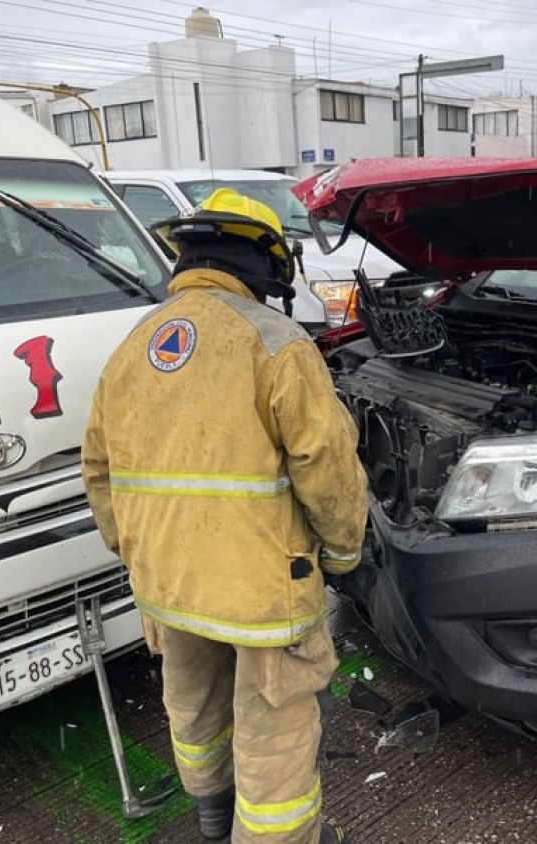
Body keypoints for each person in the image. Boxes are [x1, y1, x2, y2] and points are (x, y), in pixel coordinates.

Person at [82, 188, 367, 844]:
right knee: (277, 729)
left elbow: (97, 468)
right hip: (261, 593)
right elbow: (325, 466)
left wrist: (135, 552)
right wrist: (343, 553)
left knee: (194, 706)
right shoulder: (275, 341)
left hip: (168, 585)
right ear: (265, 265)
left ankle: (211, 817)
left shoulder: (133, 343)